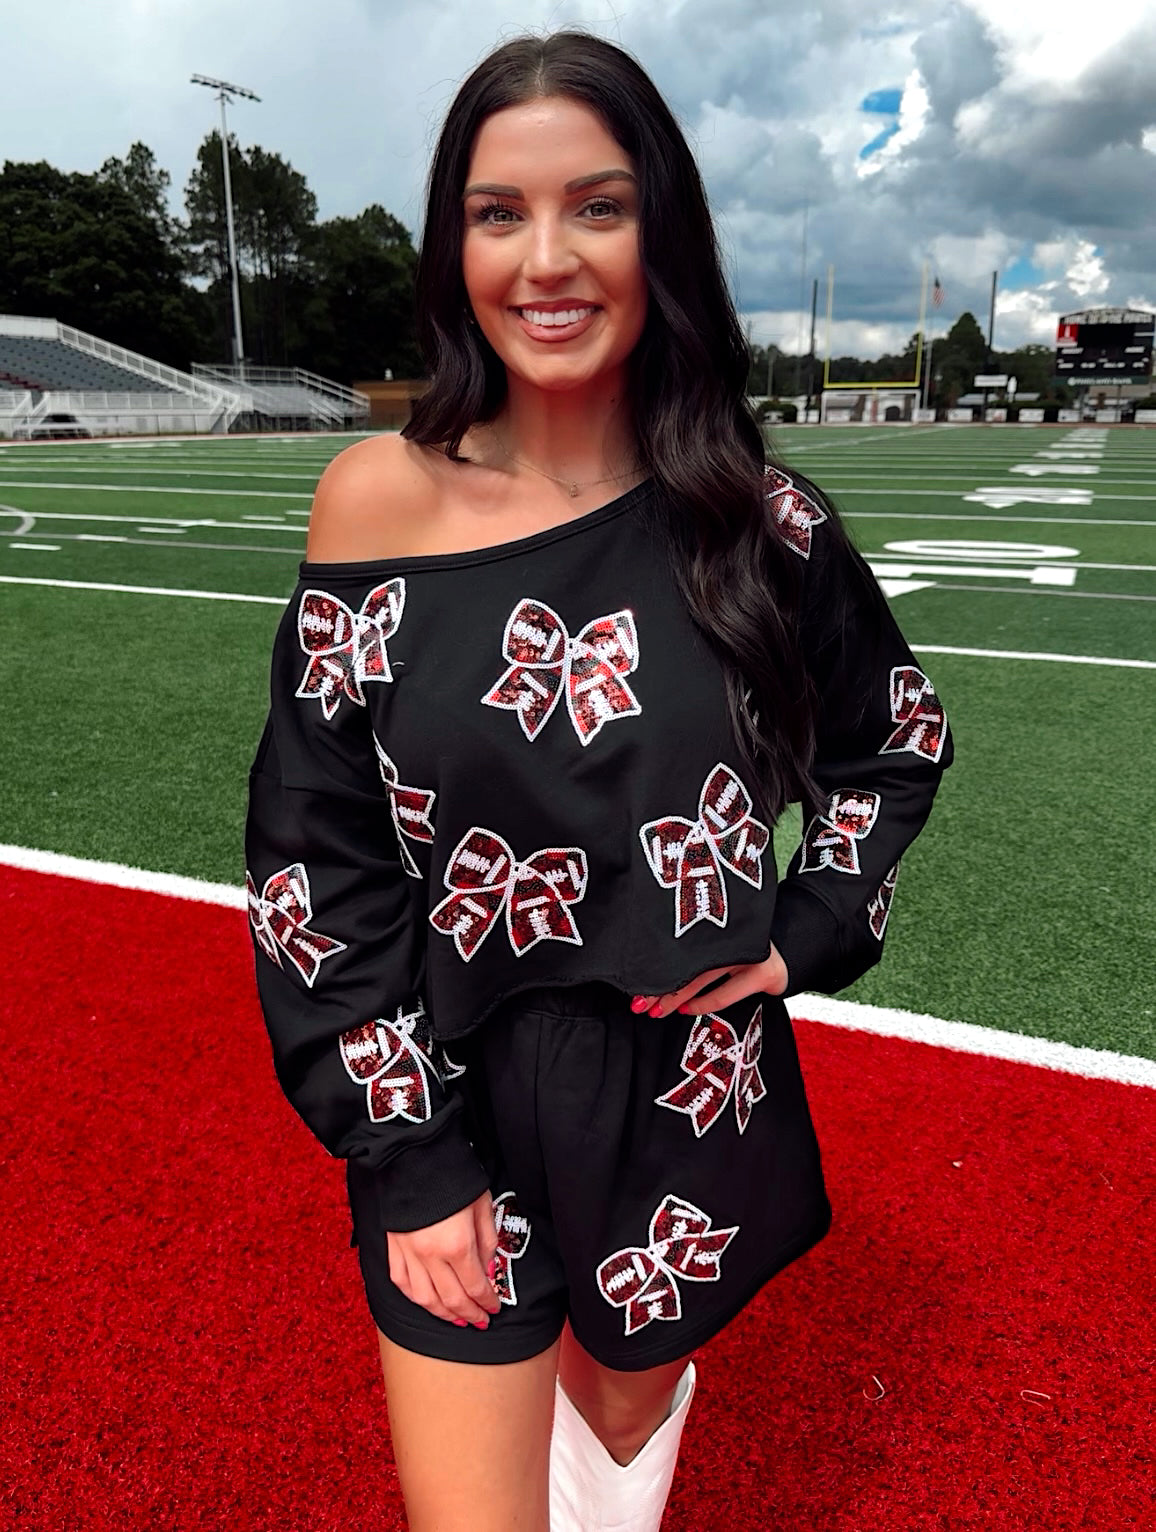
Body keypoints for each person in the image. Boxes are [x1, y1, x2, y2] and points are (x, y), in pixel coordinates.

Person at [244, 30, 953, 1532]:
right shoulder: (374, 500)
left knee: (625, 1411)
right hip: (459, 1083)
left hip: (690, 1088)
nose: (546, 259)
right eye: (499, 212)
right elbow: (316, 856)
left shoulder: (755, 518)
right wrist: (406, 1152)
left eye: (600, 206)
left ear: (662, 233)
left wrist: (806, 928)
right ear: (455, 245)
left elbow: (893, 734)